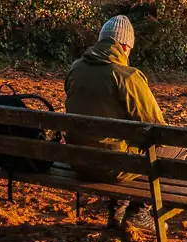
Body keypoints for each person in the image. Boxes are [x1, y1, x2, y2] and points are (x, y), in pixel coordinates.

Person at [64, 15, 168, 182]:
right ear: (126, 47)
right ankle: (139, 205)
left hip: (78, 162)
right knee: (172, 147)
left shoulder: (76, 68)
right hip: (113, 168)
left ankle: (123, 202)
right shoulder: (128, 76)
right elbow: (158, 128)